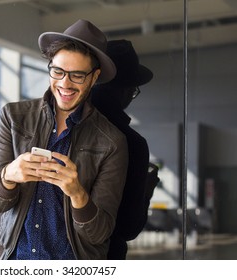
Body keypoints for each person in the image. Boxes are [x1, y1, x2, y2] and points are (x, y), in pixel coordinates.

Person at [0, 19, 129, 260]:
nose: (64, 83)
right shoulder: (13, 118)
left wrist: (77, 194)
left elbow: (100, 232)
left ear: (94, 78)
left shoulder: (111, 142)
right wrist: (8, 175)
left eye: (77, 76)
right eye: (58, 71)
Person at [90, 39, 159, 259]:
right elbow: (128, 227)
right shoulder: (132, 143)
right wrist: (146, 191)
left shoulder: (60, 127)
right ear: (126, 90)